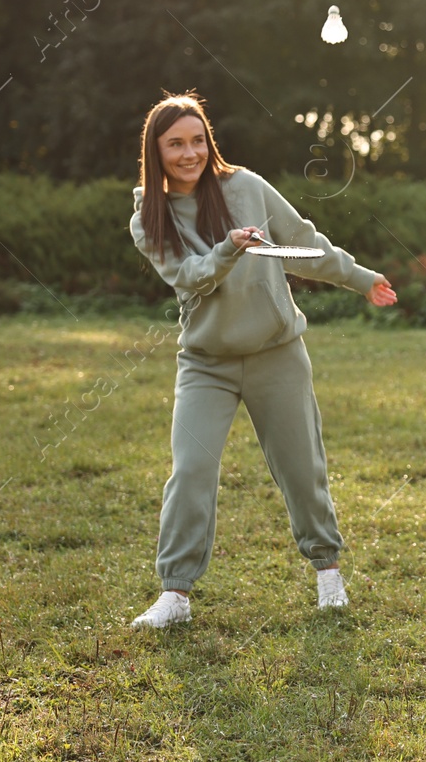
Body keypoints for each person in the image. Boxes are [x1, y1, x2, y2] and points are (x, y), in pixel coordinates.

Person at [127, 92, 396, 628]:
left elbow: (303, 242)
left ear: (209, 141)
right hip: (207, 363)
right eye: (175, 144)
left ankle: (328, 574)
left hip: (277, 354)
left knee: (303, 468)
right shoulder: (149, 221)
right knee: (192, 469)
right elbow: (192, 276)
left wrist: (362, 279)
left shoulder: (245, 187)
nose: (189, 153)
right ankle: (175, 595)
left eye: (197, 140)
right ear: (155, 152)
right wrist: (229, 248)